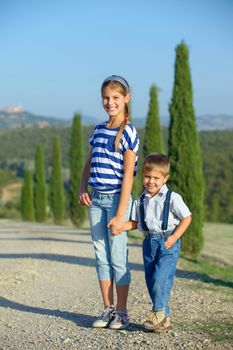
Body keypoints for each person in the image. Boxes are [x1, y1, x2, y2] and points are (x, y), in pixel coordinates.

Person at [78, 75, 139, 330]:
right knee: (101, 256)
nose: (110, 102)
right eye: (106, 97)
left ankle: (122, 312)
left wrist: (121, 212)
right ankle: (107, 309)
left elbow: (128, 177)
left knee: (117, 257)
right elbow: (89, 162)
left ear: (126, 98)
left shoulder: (129, 132)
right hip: (96, 201)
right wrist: (83, 187)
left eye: (115, 97)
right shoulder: (98, 129)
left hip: (117, 201)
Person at [117, 153, 192, 332]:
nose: (151, 181)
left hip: (168, 242)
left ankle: (157, 313)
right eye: (147, 177)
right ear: (142, 176)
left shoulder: (172, 197)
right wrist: (120, 226)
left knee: (160, 278)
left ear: (165, 178)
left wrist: (174, 237)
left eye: (156, 178)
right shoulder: (140, 200)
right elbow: (136, 223)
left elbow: (187, 218)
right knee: (151, 282)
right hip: (149, 243)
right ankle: (163, 320)